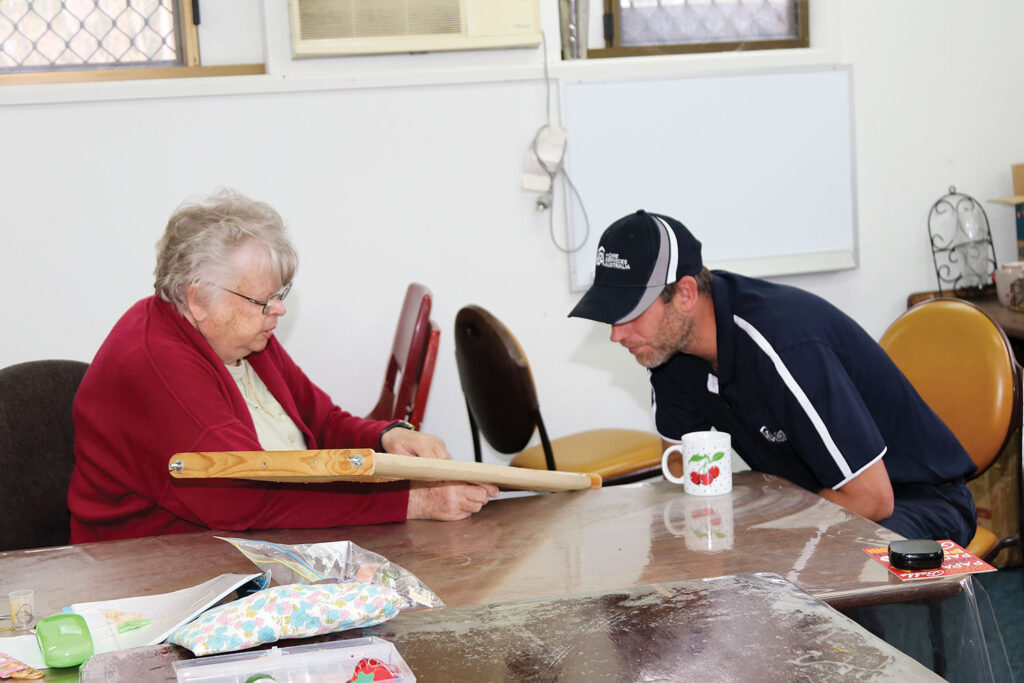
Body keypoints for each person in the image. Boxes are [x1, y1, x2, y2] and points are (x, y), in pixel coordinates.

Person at [69, 189, 498, 543]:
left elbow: (323, 422)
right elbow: (250, 499)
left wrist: (389, 438)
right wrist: (411, 503)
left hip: (250, 546)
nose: (278, 310)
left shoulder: (241, 336)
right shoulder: (159, 368)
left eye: (280, 294)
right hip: (158, 572)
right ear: (198, 298)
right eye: (262, 300)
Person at [569, 210, 978, 546]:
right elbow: (682, 475)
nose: (616, 334)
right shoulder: (669, 353)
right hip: (814, 495)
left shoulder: (784, 345)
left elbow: (872, 499)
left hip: (920, 503)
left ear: (686, 295)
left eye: (631, 312)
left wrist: (760, 537)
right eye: (611, 314)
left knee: (801, 571)